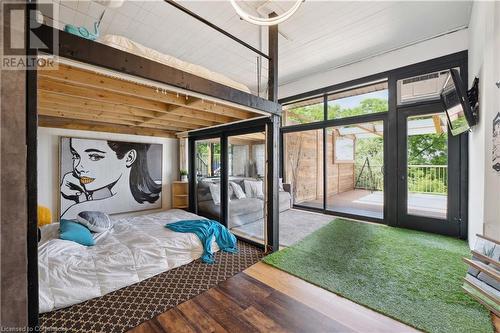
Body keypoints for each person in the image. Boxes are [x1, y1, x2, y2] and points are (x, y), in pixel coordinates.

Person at [60, 138, 161, 219]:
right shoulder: (158, 191)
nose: (78, 167)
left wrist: (68, 200)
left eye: (94, 156)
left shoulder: (78, 211)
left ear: (129, 157)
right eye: (76, 156)